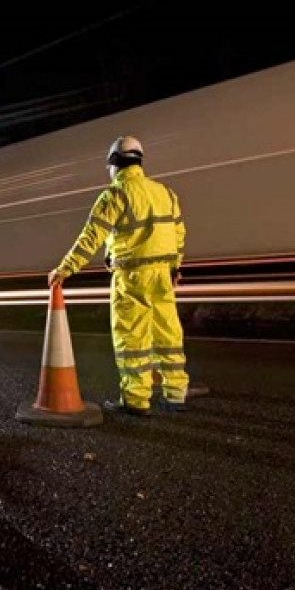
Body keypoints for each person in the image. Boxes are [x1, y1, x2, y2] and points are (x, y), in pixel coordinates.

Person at [47, 135, 190, 416]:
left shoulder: (115, 195)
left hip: (132, 276)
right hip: (163, 274)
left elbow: (91, 237)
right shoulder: (165, 192)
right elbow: (178, 235)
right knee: (168, 334)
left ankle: (136, 400)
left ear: (114, 163)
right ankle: (175, 394)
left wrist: (65, 268)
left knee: (132, 339)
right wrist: (175, 267)